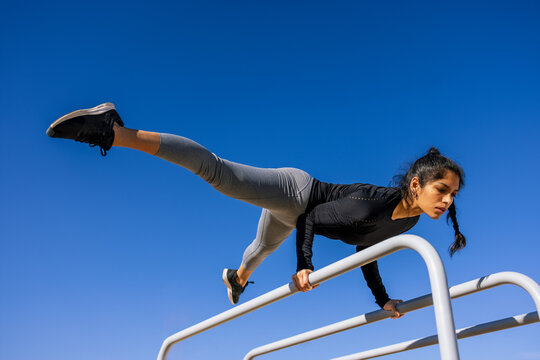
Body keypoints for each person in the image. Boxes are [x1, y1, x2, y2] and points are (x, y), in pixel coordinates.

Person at [46, 103, 466, 319]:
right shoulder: (378, 202)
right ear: (416, 185)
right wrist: (305, 265)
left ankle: (237, 279)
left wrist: (383, 300)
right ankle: (114, 130)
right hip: (299, 194)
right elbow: (314, 218)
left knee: (258, 251)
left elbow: (366, 254)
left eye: (452, 195)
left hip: (291, 215)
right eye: (442, 190)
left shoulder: (407, 220)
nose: (447, 202)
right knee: (219, 173)